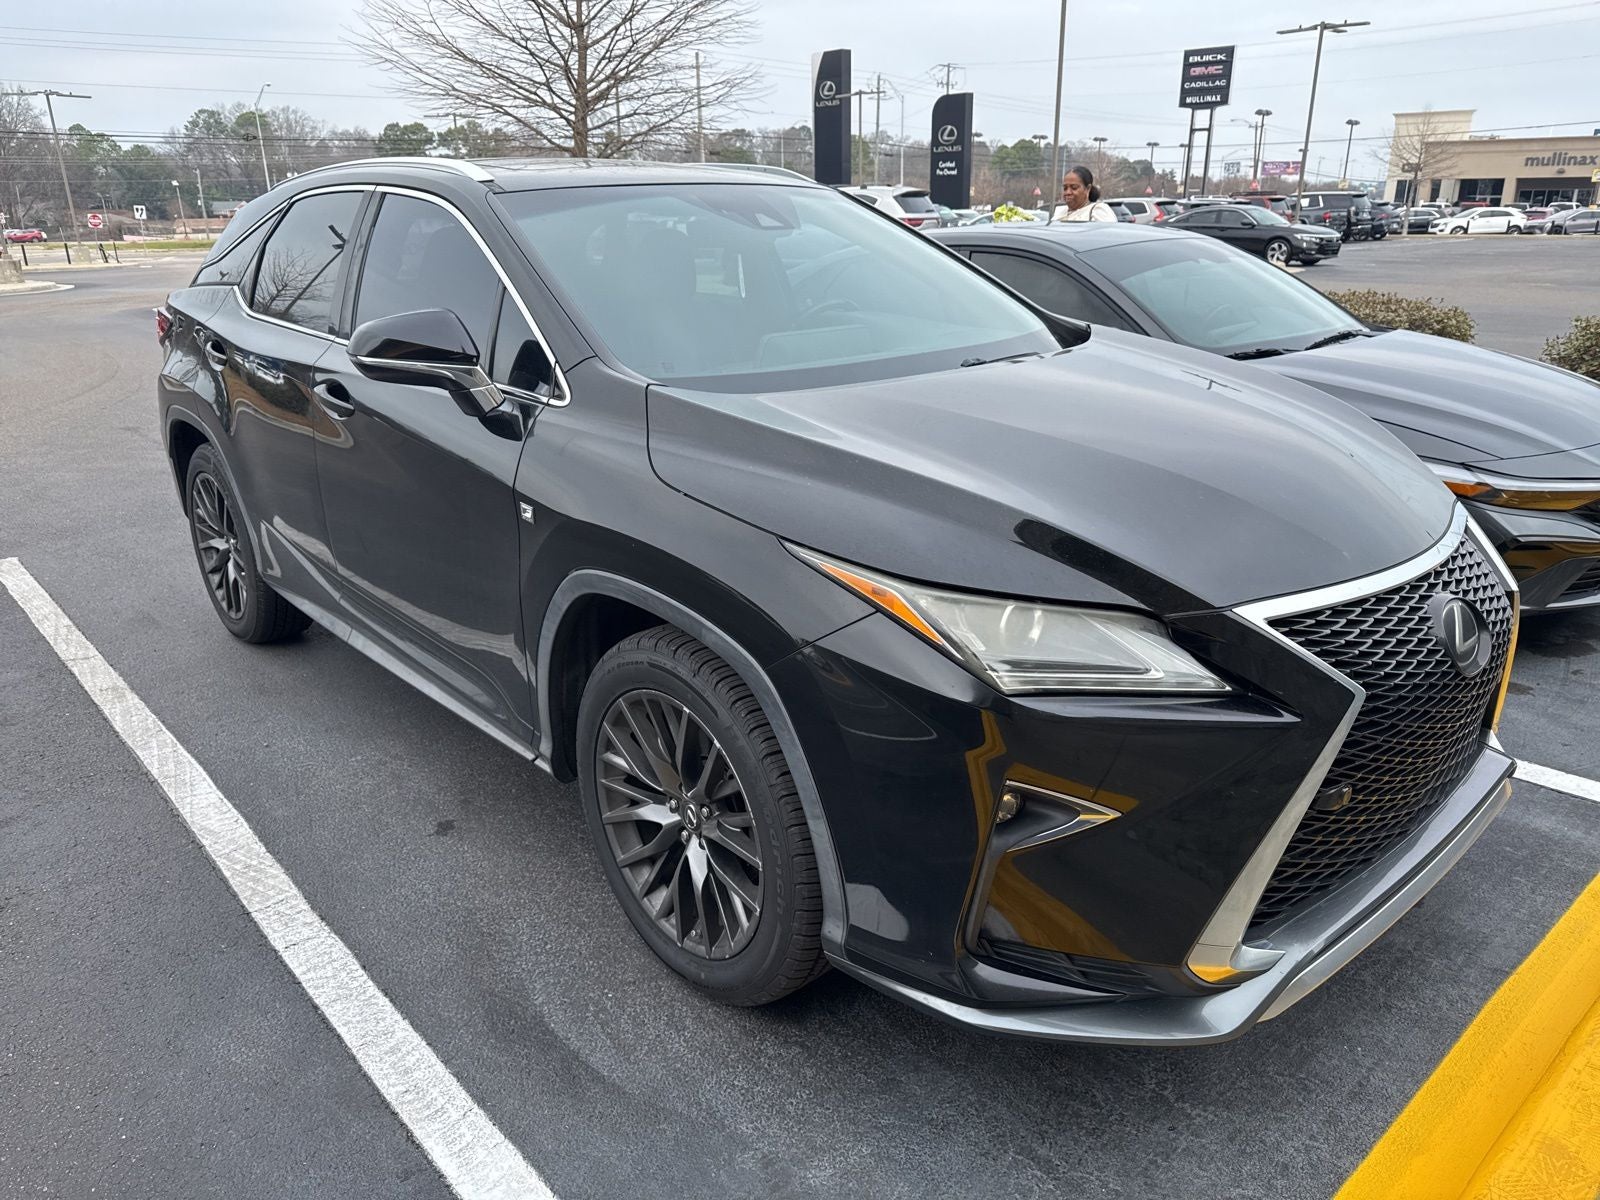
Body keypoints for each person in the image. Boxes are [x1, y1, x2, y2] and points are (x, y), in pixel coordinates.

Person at [1051, 166, 1118, 223]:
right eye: (1065, 188)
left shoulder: (1098, 211)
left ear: (1088, 189)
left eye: (1074, 188)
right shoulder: (1060, 212)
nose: (1068, 192)